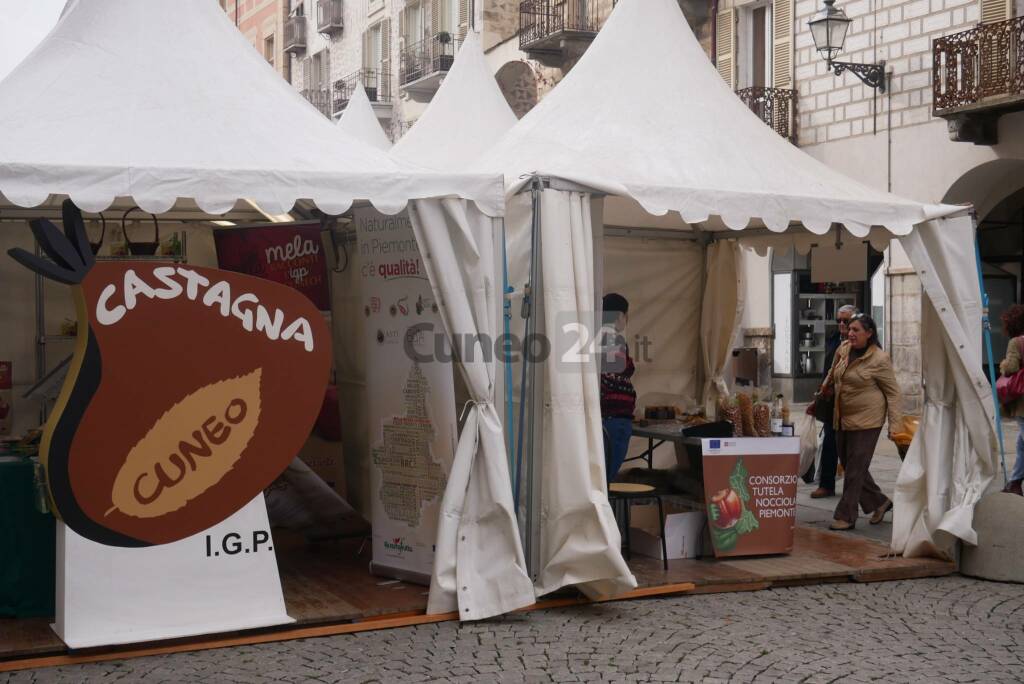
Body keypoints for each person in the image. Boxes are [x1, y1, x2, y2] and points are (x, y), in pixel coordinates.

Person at [820, 314, 902, 531]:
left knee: (855, 469)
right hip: (842, 416)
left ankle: (846, 515)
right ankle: (879, 502)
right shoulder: (844, 349)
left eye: (856, 330)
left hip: (868, 420)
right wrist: (824, 389)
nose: (851, 333)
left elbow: (893, 394)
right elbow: (832, 372)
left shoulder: (880, 359)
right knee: (851, 465)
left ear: (869, 333)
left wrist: (895, 426)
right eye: (850, 329)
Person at [809, 305, 859, 498]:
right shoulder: (834, 340)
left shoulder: (862, 344)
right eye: (838, 320)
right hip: (832, 402)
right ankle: (827, 483)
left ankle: (863, 493)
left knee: (852, 451)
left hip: (853, 404)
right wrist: (822, 392)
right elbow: (829, 370)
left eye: (845, 321)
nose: (841, 324)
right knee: (829, 442)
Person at [600, 293, 636, 484]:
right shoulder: (611, 339)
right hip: (614, 418)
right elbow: (612, 377)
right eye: (626, 315)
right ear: (619, 315)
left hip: (606, 417)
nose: (626, 320)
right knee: (605, 479)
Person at [998, 304, 1024, 496]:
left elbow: (1012, 367)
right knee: (1021, 443)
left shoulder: (1016, 342)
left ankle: (1014, 483)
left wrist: (1003, 365)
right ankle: (1014, 482)